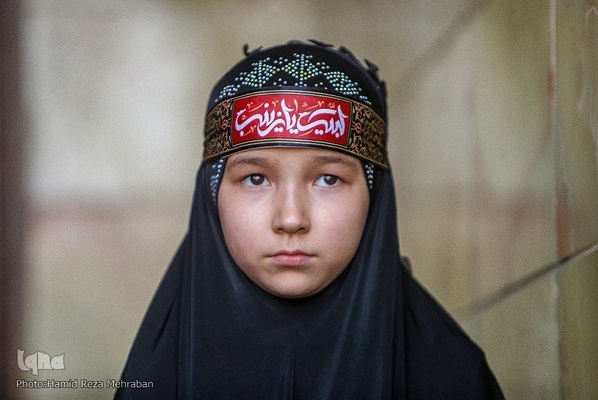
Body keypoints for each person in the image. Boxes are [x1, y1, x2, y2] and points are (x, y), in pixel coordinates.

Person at [115, 40, 504, 399]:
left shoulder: (451, 377)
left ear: (374, 195)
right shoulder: (156, 379)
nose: (290, 218)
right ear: (212, 193)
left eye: (328, 179)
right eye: (255, 179)